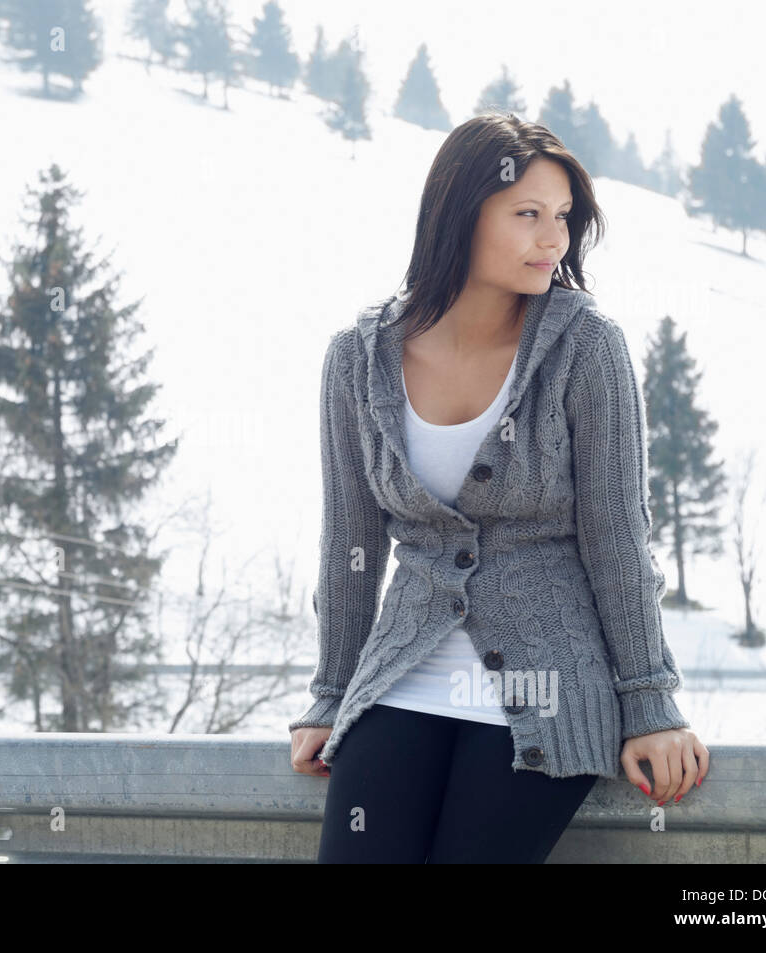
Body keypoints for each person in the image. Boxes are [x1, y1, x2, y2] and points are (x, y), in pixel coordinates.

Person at [289, 112, 710, 863]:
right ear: (460, 212)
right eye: (527, 215)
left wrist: (649, 702)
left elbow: (617, 536)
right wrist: (330, 694)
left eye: (563, 218)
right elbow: (349, 544)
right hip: (397, 684)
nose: (553, 239)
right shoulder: (357, 359)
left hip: (547, 690)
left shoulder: (585, 347)